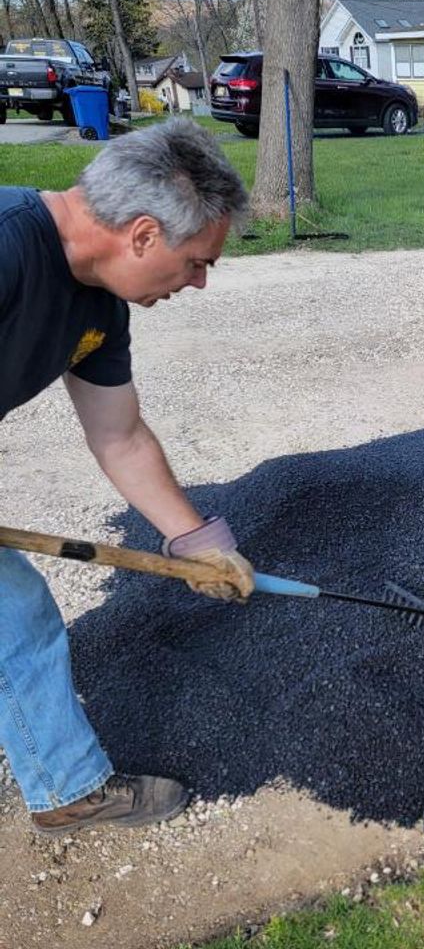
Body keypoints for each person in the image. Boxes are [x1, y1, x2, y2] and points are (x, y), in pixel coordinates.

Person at [0, 119, 254, 834]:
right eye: (198, 261)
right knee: (17, 617)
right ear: (143, 235)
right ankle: (66, 787)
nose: (201, 282)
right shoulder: (6, 247)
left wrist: (195, 539)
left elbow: (119, 435)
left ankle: (57, 784)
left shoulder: (100, 304)